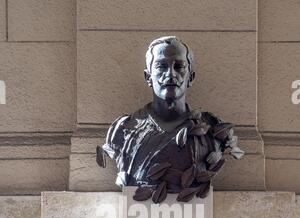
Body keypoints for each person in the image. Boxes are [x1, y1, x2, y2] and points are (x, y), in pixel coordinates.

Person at [97, 36, 244, 202]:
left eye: (179, 66)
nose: (171, 74)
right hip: (139, 214)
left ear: (191, 77)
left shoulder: (212, 129)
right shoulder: (124, 128)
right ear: (148, 77)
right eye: (161, 66)